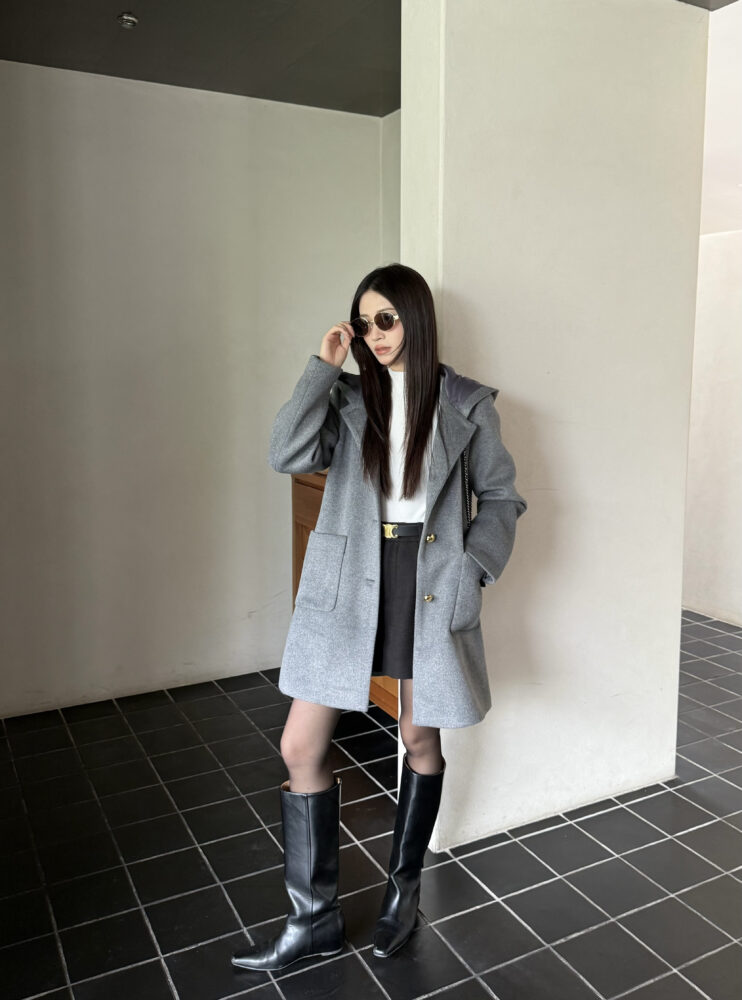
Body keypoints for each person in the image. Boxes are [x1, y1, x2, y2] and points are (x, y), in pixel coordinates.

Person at [232, 262, 526, 972]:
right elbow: (285, 452)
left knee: (418, 736)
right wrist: (322, 366)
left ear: (416, 318)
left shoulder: (467, 404)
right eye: (364, 322)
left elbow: (502, 498)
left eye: (386, 319)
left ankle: (403, 892)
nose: (374, 333)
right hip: (351, 580)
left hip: (430, 582)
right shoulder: (346, 396)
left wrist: (473, 567)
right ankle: (312, 921)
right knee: (300, 746)